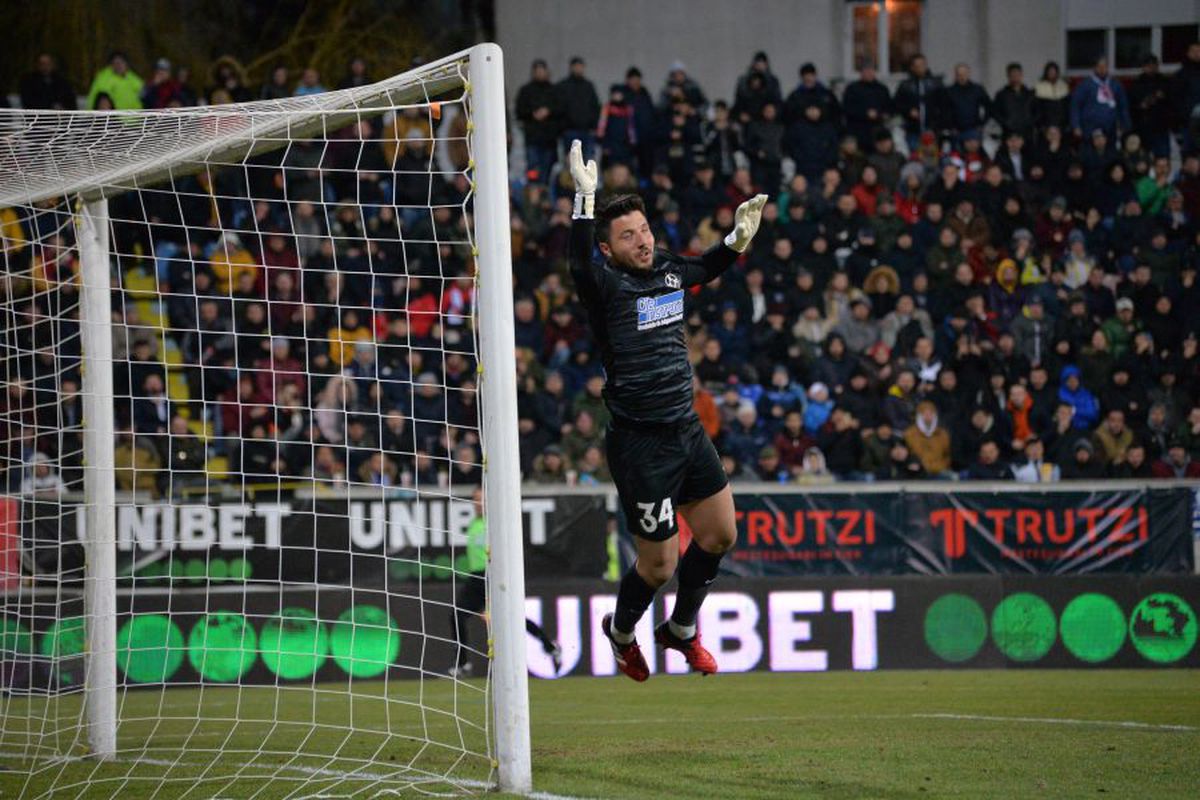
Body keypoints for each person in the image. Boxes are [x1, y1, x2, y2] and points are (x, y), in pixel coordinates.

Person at [567, 139, 767, 680]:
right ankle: (621, 631)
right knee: (660, 564)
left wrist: (737, 240)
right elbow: (578, 268)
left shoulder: (669, 271)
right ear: (607, 249)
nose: (642, 240)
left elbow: (706, 266)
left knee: (721, 534)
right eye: (627, 235)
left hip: (686, 429)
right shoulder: (606, 286)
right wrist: (583, 207)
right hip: (641, 446)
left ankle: (680, 630)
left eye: (645, 229)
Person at [449, 487, 562, 678]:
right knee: (456, 615)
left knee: (514, 619)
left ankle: (550, 646)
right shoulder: (473, 524)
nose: (477, 503)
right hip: (477, 578)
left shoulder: (496, 522)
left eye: (481, 499)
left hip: (494, 575)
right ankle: (463, 664)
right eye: (475, 499)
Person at [515, 59, 561, 183]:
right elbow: (519, 111)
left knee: (548, 170)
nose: (540, 73)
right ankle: (533, 192)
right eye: (537, 71)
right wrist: (533, 114)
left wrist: (548, 111)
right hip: (532, 138)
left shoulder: (554, 90)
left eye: (542, 71)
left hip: (549, 139)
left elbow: (561, 110)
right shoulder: (525, 91)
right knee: (533, 169)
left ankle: (544, 195)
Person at [1070, 57, 1130, 141]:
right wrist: (1076, 125)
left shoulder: (1115, 85)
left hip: (1111, 128)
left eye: (1104, 67)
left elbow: (1123, 106)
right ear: (1094, 68)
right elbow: (1075, 106)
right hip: (1089, 128)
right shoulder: (1085, 85)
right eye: (1099, 67)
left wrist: (1125, 125)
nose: (1102, 69)